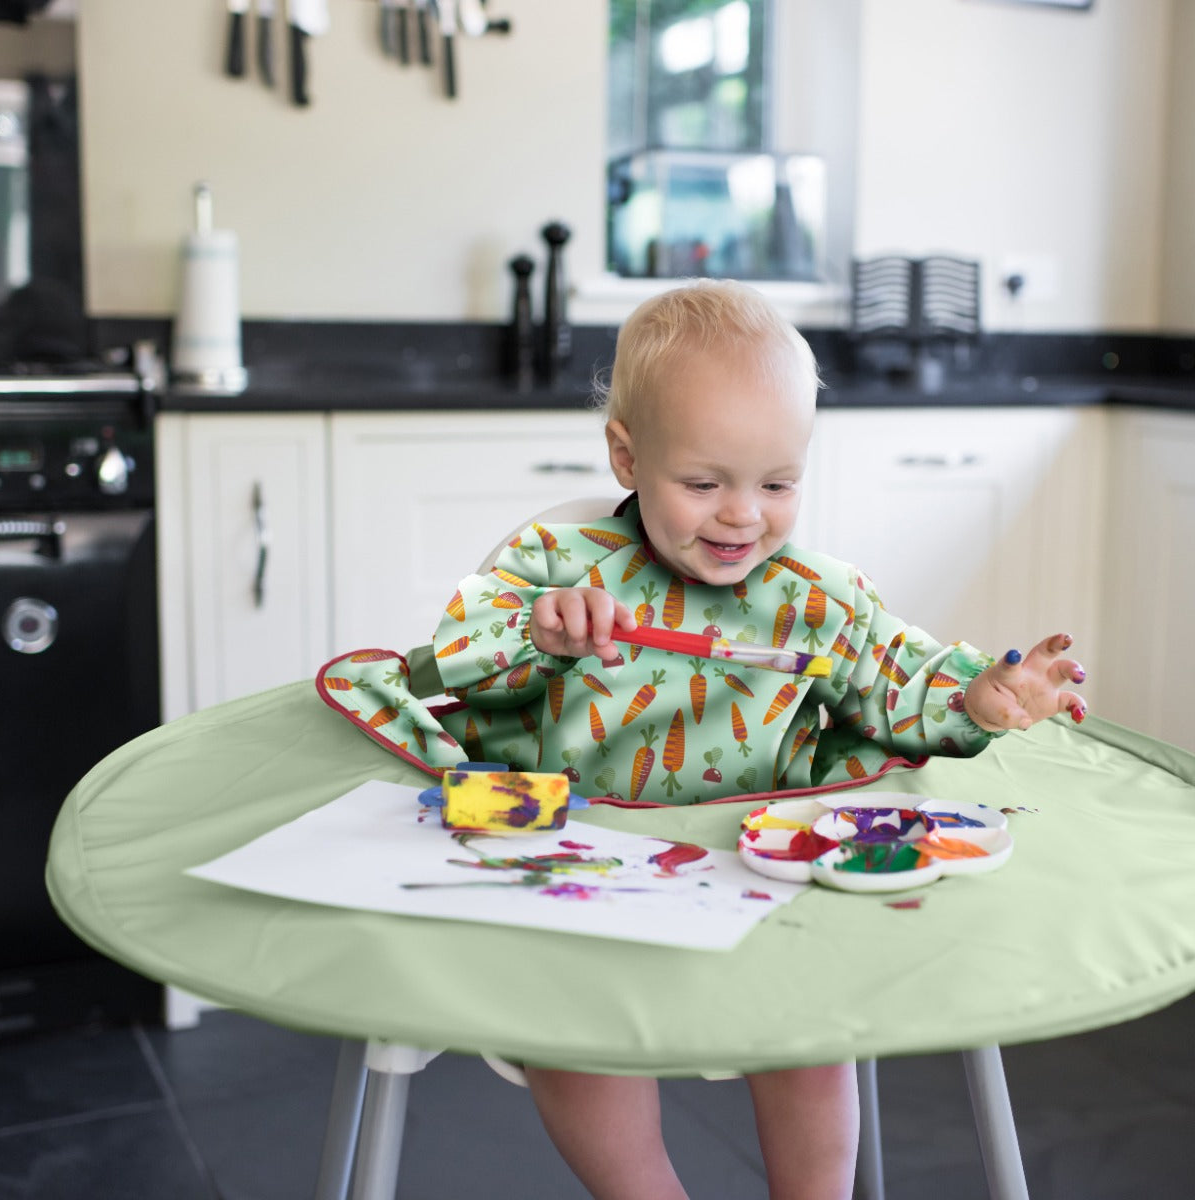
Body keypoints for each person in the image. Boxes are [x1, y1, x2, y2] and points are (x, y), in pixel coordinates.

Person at [318, 279, 1086, 1199]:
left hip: (765, 887)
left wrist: (984, 694)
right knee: (575, 1047)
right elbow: (452, 661)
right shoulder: (555, 568)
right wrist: (540, 631)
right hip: (584, 888)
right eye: (703, 483)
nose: (741, 516)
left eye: (777, 484)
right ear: (626, 457)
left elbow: (899, 680)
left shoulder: (813, 599)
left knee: (813, 1037)